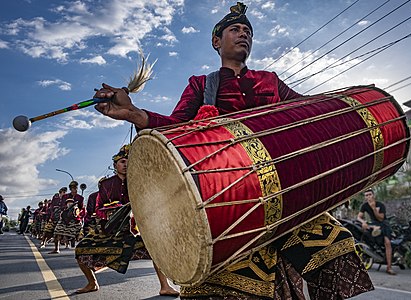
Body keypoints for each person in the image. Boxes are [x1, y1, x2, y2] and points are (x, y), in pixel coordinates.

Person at [93, 2, 373, 299]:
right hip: (229, 197)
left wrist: (349, 106)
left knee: (335, 247)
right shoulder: (202, 85)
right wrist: (134, 113)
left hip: (287, 190)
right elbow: (175, 128)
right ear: (217, 41)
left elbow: (307, 114)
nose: (244, 35)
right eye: (235, 29)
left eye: (248, 31)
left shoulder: (270, 81)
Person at [75, 145, 179, 296]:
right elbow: (98, 208)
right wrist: (109, 212)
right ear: (115, 165)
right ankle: (92, 283)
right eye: (122, 161)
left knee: (157, 250)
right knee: (81, 250)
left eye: (128, 161)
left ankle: (165, 286)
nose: (126, 164)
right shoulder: (105, 184)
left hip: (138, 228)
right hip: (110, 228)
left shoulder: (140, 181)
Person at [358, 188, 396, 275]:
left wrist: (374, 208)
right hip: (373, 224)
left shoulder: (380, 205)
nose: (368, 197)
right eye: (366, 195)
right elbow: (359, 217)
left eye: (370, 195)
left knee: (387, 243)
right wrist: (363, 222)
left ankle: (389, 267)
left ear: (373, 196)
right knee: (364, 229)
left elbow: (381, 218)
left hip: (383, 224)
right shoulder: (364, 205)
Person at [50, 182, 84, 253]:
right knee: (57, 232)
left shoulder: (80, 198)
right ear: (70, 188)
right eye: (73, 187)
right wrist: (67, 207)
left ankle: (80, 250)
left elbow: (81, 208)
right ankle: (56, 249)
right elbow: (61, 206)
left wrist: (76, 210)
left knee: (80, 234)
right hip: (65, 218)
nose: (75, 189)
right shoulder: (65, 196)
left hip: (75, 219)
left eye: (76, 187)